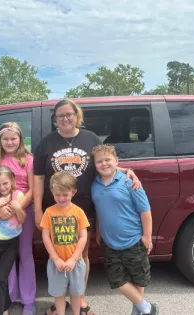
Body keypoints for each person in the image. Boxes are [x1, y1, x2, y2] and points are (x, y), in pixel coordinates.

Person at [33, 99, 142, 315]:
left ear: (77, 115)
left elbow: (104, 163)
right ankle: (60, 301)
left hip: (84, 208)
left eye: (69, 114)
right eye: (60, 115)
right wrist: (38, 209)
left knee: (81, 254)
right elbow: (37, 178)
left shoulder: (90, 138)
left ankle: (80, 298)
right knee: (58, 253)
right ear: (55, 119)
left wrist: (125, 170)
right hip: (54, 209)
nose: (65, 118)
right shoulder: (46, 143)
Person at [91, 145, 158, 315]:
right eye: (99, 161)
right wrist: (98, 231)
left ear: (116, 161)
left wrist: (147, 237)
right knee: (117, 280)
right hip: (109, 242)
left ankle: (139, 311)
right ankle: (147, 309)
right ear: (94, 164)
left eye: (108, 160)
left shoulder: (129, 182)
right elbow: (99, 209)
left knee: (138, 279)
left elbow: (145, 211)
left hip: (133, 240)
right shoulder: (94, 184)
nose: (104, 164)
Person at [0, 122, 37, 315]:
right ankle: (10, 297)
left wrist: (18, 206)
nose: (10, 142)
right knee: (6, 258)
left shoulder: (28, 159)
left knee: (25, 254)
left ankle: (29, 301)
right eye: (6, 139)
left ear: (20, 139)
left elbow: (32, 188)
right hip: (0, 215)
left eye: (13, 138)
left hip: (22, 212)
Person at [40, 172, 90, 315]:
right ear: (52, 192)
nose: (61, 198)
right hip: (56, 263)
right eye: (57, 194)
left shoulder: (78, 212)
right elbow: (46, 236)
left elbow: (83, 237)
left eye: (65, 194)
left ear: (73, 192)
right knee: (59, 294)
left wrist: (74, 258)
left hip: (76, 262)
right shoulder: (49, 212)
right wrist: (55, 258)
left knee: (76, 293)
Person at [0, 165, 27, 315]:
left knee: (1, 278)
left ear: (12, 181)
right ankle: (6, 303)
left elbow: (22, 220)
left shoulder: (18, 196)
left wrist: (17, 208)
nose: (2, 187)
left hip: (11, 243)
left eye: (5, 183)